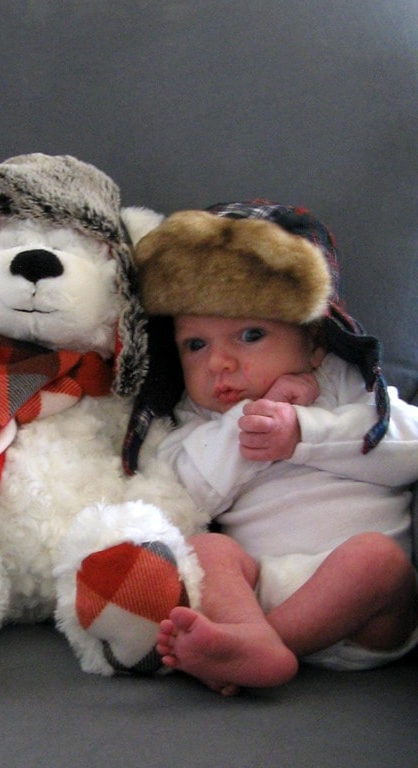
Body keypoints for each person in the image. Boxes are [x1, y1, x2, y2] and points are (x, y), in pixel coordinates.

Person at [132, 202, 418, 695]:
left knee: (377, 558)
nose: (219, 362)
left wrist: (303, 433)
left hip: (368, 616)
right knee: (207, 549)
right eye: (195, 345)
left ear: (313, 339)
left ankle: (261, 649)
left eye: (251, 334)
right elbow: (189, 495)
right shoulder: (196, 417)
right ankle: (250, 643)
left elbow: (410, 446)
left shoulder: (348, 383)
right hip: (260, 590)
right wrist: (246, 425)